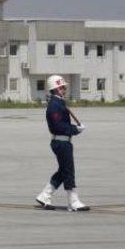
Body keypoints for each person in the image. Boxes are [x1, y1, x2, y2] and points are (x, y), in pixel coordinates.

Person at [35, 75, 90, 212]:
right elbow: (58, 126)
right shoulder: (54, 105)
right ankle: (74, 201)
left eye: (64, 87)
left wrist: (73, 129)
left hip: (63, 141)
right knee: (68, 171)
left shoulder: (59, 102)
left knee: (63, 171)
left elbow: (62, 124)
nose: (64, 89)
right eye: (62, 87)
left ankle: (44, 195)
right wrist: (75, 129)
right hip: (61, 142)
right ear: (56, 89)